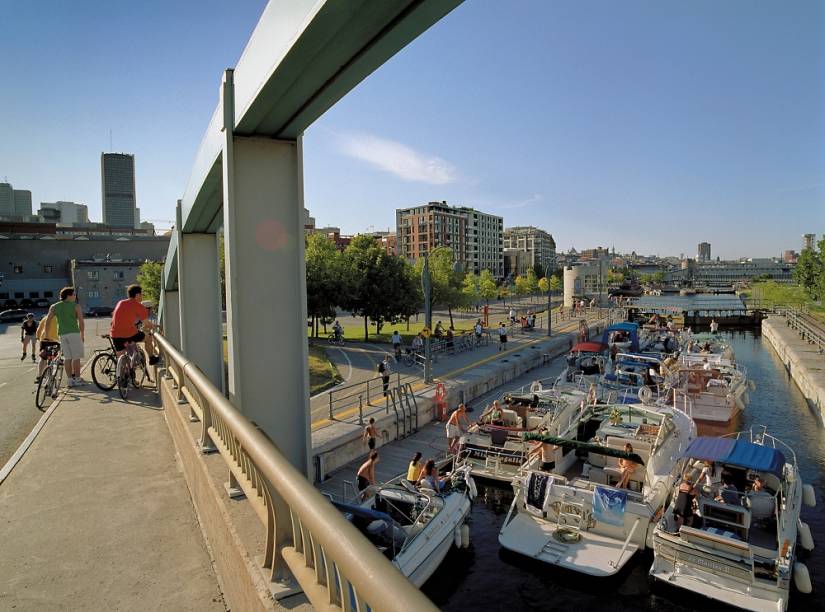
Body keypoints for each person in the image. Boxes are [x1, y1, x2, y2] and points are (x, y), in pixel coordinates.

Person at [44, 287, 85, 387]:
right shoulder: (76, 306)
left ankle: (70, 380)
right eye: (74, 294)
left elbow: (47, 321)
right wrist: (82, 334)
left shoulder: (54, 306)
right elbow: (81, 321)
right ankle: (78, 379)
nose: (75, 296)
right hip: (74, 333)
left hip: (62, 334)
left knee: (67, 358)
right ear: (69, 295)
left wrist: (46, 335)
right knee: (76, 357)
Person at [110, 285, 158, 365]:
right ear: (137, 295)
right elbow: (146, 323)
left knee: (120, 358)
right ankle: (152, 358)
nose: (142, 297)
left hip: (115, 334)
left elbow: (115, 318)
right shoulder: (139, 306)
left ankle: (122, 374)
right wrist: (154, 326)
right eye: (141, 294)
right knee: (148, 338)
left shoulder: (120, 302)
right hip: (129, 334)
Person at [34, 312, 59, 384]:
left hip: (44, 340)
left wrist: (39, 338)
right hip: (56, 340)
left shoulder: (45, 318)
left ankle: (39, 376)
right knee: (54, 357)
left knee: (43, 357)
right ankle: (52, 373)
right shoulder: (60, 318)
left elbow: (38, 330)